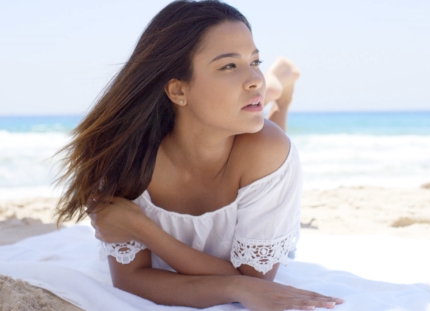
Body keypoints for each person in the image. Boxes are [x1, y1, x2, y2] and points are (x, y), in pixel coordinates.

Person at [54, 1, 343, 310]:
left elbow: (256, 282)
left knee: (266, 127)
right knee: (258, 114)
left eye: (255, 61)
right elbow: (130, 280)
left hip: (257, 148)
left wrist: (141, 227)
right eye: (229, 65)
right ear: (178, 90)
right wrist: (236, 284)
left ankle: (278, 91)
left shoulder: (269, 150)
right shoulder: (120, 157)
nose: (252, 77)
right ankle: (275, 92)